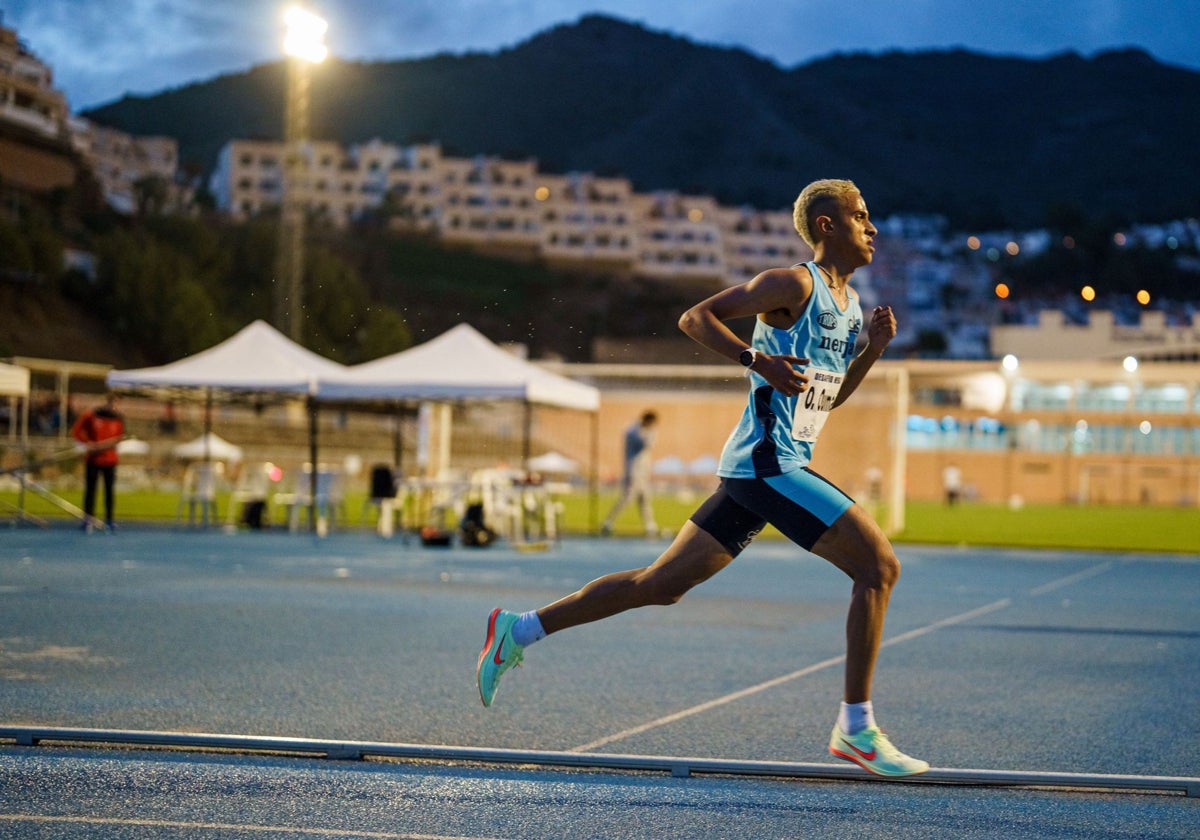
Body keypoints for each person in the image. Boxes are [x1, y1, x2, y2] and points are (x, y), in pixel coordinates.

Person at [476, 179, 928, 778]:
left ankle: (519, 630)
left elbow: (830, 400)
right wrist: (754, 358)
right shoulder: (793, 284)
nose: (872, 228)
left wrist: (871, 350)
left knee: (660, 584)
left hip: (765, 468)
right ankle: (856, 729)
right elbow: (695, 317)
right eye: (861, 217)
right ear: (826, 225)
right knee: (879, 567)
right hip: (770, 464)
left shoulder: (849, 310)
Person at [600, 410, 659, 537]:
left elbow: (651, 445)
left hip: (643, 472)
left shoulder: (647, 430)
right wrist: (647, 431)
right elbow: (645, 444)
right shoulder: (633, 430)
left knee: (645, 499)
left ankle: (650, 526)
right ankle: (608, 522)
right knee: (627, 499)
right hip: (633, 471)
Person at [71, 393, 125, 531]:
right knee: (90, 490)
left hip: (110, 460)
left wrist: (112, 443)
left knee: (109, 491)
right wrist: (88, 443)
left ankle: (110, 519)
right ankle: (88, 519)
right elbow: (76, 431)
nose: (114, 406)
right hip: (93, 459)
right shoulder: (91, 415)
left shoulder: (118, 419)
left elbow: (119, 437)